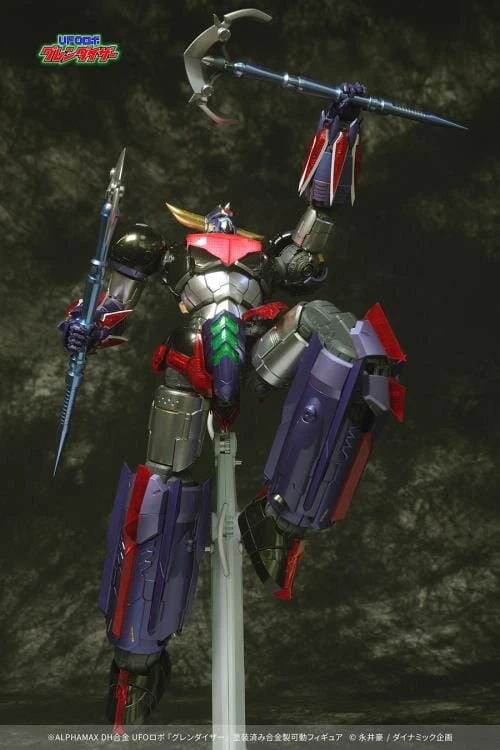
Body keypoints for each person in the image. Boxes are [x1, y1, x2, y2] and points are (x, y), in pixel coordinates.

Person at [59, 83, 406, 729]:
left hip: (258, 350)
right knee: (158, 503)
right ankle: (136, 665)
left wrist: (338, 131)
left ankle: (283, 520)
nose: (222, 216)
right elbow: (114, 302)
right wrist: (85, 325)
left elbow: (313, 232)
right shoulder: (175, 257)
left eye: (229, 217)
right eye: (214, 216)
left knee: (351, 346)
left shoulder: (262, 260)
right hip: (189, 368)